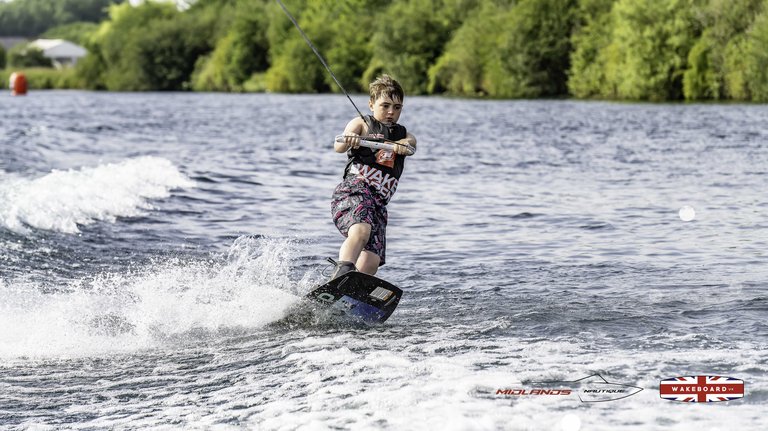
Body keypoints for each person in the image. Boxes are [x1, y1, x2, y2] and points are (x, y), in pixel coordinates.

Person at [329, 74, 417, 280]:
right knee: (361, 231)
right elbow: (338, 146)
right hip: (354, 192)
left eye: (397, 107)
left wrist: (404, 145)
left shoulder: (403, 134)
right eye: (385, 105)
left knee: (371, 262)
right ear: (371, 104)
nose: (391, 112)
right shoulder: (361, 123)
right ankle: (341, 272)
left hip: (378, 204)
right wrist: (351, 138)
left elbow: (411, 143)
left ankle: (349, 292)